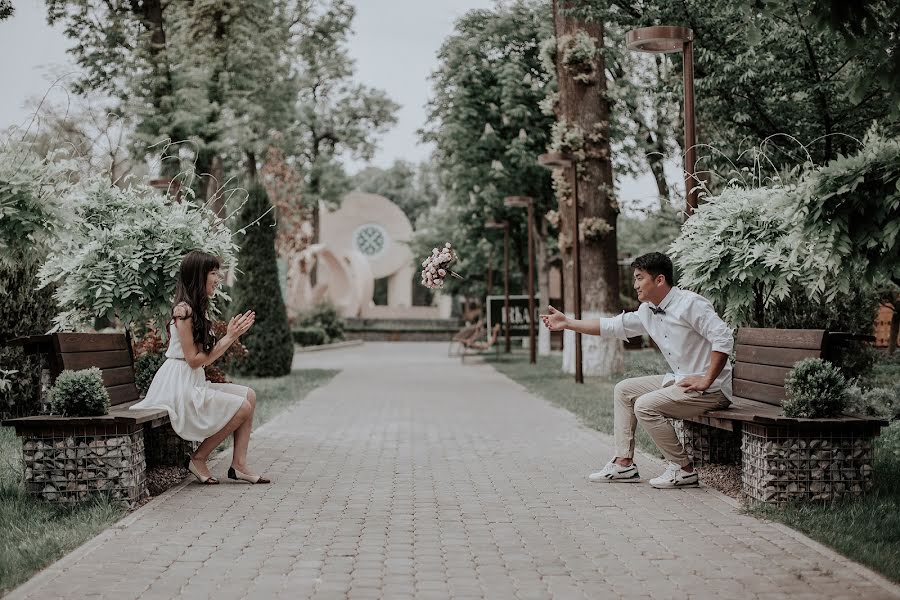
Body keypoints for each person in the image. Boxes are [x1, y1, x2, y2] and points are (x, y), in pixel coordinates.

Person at [540, 252, 733, 489]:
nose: (635, 285)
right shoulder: (647, 310)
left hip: (712, 389)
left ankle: (683, 469)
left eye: (640, 278)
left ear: (659, 280)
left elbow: (723, 338)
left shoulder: (691, 304)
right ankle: (624, 464)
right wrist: (568, 323)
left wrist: (706, 379)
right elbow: (610, 326)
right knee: (624, 390)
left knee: (645, 405)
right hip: (682, 381)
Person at [130, 250, 270, 485]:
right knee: (242, 408)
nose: (218, 278)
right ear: (198, 276)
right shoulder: (182, 312)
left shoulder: (196, 309)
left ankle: (239, 465)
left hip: (192, 379)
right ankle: (199, 458)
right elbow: (194, 359)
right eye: (213, 273)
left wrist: (230, 336)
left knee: (249, 395)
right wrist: (230, 337)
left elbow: (202, 360)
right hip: (178, 384)